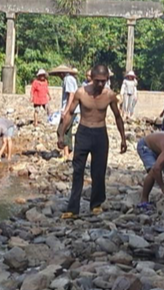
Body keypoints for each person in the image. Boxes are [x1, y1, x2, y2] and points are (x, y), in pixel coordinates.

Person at [58, 64, 127, 219]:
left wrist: (123, 138)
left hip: (100, 134)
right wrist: (61, 134)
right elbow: (69, 113)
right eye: (98, 81)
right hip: (83, 132)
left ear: (107, 80)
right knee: (78, 171)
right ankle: (73, 208)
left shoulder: (109, 95)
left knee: (99, 171)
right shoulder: (81, 93)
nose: (100, 84)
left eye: (104, 81)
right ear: (92, 79)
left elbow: (117, 116)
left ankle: (96, 204)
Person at [49, 65, 79, 159]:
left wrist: (66, 110)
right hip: (73, 109)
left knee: (62, 130)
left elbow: (71, 95)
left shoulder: (68, 79)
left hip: (70, 109)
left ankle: (66, 154)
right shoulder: (70, 79)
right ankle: (69, 153)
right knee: (68, 130)